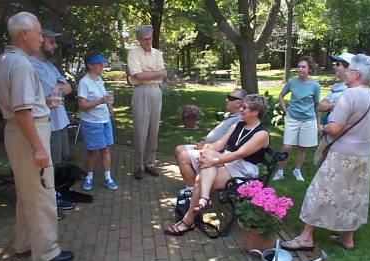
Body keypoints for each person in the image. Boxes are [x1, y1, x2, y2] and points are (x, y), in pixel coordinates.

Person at [281, 54, 370, 251]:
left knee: (319, 191)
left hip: (342, 155)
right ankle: (348, 239)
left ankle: (306, 238)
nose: (345, 72)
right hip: (364, 156)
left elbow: (335, 129)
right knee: (354, 195)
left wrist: (323, 128)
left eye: (349, 70)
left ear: (356, 74)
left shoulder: (348, 95)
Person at [0, 12, 73, 261]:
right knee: (42, 193)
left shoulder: (4, 59)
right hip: (30, 134)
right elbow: (22, 110)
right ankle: (46, 252)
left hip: (16, 132)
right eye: (38, 33)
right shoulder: (21, 64)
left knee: (27, 192)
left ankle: (25, 243)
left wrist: (42, 103)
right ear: (24, 34)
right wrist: (38, 147)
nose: (41, 38)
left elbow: (23, 106)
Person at [164, 94, 270, 236]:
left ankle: (188, 220)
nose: (241, 110)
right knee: (207, 155)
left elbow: (239, 154)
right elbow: (220, 144)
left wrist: (213, 160)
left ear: (255, 112)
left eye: (244, 108)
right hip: (228, 161)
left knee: (199, 181)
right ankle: (204, 200)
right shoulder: (238, 124)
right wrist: (205, 151)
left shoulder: (261, 134)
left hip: (243, 169)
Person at [30, 28, 74, 218]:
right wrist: (58, 87)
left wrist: (58, 87)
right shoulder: (31, 65)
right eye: (51, 42)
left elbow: (68, 88)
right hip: (47, 123)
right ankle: (49, 203)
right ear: (41, 42)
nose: (55, 46)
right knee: (47, 166)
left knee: (57, 161)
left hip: (60, 121)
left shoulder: (50, 66)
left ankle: (54, 195)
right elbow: (50, 91)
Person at [174, 88, 247, 197]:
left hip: (218, 153)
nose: (226, 100)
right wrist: (204, 142)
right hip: (211, 147)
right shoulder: (232, 116)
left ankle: (191, 191)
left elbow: (228, 143)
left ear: (239, 103)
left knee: (183, 155)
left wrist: (206, 147)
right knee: (179, 149)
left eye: (230, 98)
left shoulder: (239, 120)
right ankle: (193, 183)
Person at [127, 25, 167, 180]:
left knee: (153, 129)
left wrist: (148, 74)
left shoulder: (157, 53)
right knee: (140, 130)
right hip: (141, 91)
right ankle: (139, 165)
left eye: (150, 38)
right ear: (138, 39)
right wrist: (156, 73)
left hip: (156, 91)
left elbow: (163, 73)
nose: (149, 41)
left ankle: (150, 163)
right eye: (145, 39)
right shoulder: (133, 53)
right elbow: (138, 76)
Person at [273, 56, 320, 181]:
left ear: (309, 69)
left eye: (303, 67)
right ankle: (280, 171)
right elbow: (281, 95)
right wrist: (285, 111)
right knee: (287, 146)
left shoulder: (315, 86)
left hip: (308, 120)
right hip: (292, 118)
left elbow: (316, 105)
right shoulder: (292, 82)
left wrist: (318, 123)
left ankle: (297, 170)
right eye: (299, 66)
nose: (300, 69)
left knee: (302, 147)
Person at [78, 51, 118, 191]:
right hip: (91, 122)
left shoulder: (99, 80)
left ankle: (108, 177)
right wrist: (100, 101)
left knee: (106, 149)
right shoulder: (84, 82)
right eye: (99, 63)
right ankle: (89, 177)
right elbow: (82, 106)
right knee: (92, 151)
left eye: (102, 63)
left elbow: (105, 97)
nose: (102, 66)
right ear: (90, 65)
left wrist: (110, 107)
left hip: (104, 120)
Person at [318, 52, 355, 127]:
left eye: (338, 64)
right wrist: (334, 105)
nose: (335, 67)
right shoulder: (336, 87)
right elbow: (320, 106)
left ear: (348, 67)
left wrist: (330, 105)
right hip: (330, 130)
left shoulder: (356, 87)